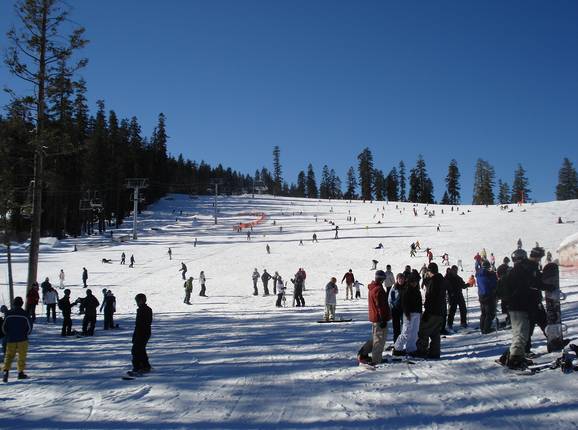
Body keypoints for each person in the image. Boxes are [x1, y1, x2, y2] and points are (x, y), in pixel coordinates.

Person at [499, 247, 552, 369]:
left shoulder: (521, 269)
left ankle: (515, 356)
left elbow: (532, 282)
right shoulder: (522, 269)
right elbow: (531, 283)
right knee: (521, 334)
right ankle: (515, 360)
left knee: (522, 333)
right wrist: (546, 287)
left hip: (521, 305)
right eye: (538, 257)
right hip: (519, 305)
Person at [357, 270, 391, 365]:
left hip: (375, 317)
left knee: (375, 338)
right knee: (379, 340)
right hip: (379, 318)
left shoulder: (373, 288)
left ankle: (363, 353)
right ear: (381, 279)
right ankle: (376, 360)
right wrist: (383, 319)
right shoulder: (379, 290)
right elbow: (381, 306)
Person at [414, 263, 445, 359]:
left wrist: (427, 311)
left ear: (430, 271)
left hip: (432, 311)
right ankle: (435, 352)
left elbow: (431, 297)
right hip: (440, 310)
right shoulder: (441, 280)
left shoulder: (433, 281)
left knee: (423, 330)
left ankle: (421, 351)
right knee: (435, 333)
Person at [2, 297, 33, 382]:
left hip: (10, 338)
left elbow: (4, 327)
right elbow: (29, 327)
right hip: (22, 339)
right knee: (21, 356)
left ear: (14, 303)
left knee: (9, 356)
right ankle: (20, 373)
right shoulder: (25, 314)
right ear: (22, 304)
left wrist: (7, 334)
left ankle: (6, 371)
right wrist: (26, 333)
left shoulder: (8, 314)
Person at [393, 271, 422, 356]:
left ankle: (411, 348)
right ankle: (397, 348)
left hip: (416, 313)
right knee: (406, 333)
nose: (415, 283)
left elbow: (419, 302)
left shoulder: (417, 290)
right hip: (409, 314)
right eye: (414, 282)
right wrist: (407, 313)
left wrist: (420, 313)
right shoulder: (406, 290)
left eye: (416, 282)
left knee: (414, 333)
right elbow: (404, 303)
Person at [130, 293, 153, 376]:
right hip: (140, 332)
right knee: (140, 349)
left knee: (136, 350)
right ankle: (145, 365)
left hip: (143, 332)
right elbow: (138, 324)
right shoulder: (141, 309)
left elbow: (145, 323)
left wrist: (139, 334)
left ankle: (138, 367)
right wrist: (135, 335)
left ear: (142, 301)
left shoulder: (146, 309)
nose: (137, 303)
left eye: (138, 301)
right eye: (136, 301)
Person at [476, 260, 497, 334]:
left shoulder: (478, 274)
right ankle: (486, 328)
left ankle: (482, 327)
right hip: (488, 294)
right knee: (489, 313)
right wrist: (493, 275)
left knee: (483, 313)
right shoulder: (489, 274)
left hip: (481, 294)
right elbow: (493, 284)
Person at [445, 265, 468, 331]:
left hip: (459, 295)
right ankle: (449, 324)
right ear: (452, 270)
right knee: (452, 310)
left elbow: (462, 285)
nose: (456, 272)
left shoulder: (458, 277)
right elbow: (446, 285)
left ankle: (463, 322)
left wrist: (467, 285)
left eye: (456, 270)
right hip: (452, 296)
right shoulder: (448, 277)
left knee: (463, 309)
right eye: (454, 270)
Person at [388, 273, 406, 344]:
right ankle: (396, 342)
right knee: (396, 328)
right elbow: (390, 299)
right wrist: (391, 307)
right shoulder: (394, 288)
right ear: (397, 279)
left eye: (402, 279)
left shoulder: (406, 287)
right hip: (395, 310)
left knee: (405, 328)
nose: (401, 280)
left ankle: (403, 343)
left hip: (404, 310)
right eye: (399, 279)